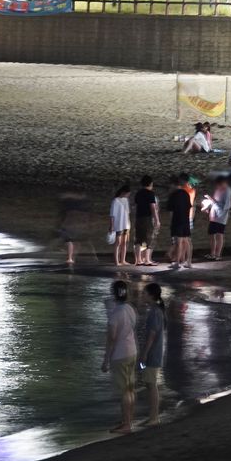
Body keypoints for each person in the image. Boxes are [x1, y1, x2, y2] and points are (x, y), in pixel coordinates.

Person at [101, 280, 138, 434]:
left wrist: (106, 360)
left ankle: (127, 424)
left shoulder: (115, 314)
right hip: (132, 352)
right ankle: (128, 420)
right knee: (130, 389)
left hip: (120, 355)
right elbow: (132, 327)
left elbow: (112, 339)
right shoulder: (130, 309)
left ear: (113, 294)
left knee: (124, 391)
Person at [139, 283, 166, 427]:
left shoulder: (154, 312)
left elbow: (152, 334)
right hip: (154, 353)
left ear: (151, 295)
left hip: (152, 354)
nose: (142, 295)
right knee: (149, 384)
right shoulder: (156, 310)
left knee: (151, 384)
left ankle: (154, 417)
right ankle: (152, 416)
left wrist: (144, 354)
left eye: (144, 293)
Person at [204, 176, 231, 261]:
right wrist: (209, 208)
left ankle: (217, 254)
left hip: (221, 218)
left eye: (218, 184)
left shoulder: (227, 192)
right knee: (212, 234)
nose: (217, 186)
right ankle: (212, 253)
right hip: (213, 216)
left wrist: (211, 200)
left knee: (219, 235)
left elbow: (226, 206)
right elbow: (216, 202)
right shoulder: (218, 190)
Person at [134, 176, 161, 266]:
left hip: (138, 218)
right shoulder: (150, 193)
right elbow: (152, 207)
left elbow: (136, 205)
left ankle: (138, 260)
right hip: (147, 218)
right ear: (151, 183)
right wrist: (157, 220)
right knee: (149, 238)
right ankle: (147, 260)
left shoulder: (138, 193)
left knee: (139, 239)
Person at [166, 177, 192, 269]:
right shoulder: (186, 193)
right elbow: (189, 206)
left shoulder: (173, 195)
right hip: (185, 219)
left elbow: (171, 211)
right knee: (187, 241)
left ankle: (177, 262)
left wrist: (171, 222)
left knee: (178, 241)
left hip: (177, 220)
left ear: (173, 184)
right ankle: (188, 262)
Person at [109, 185, 131, 266]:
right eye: (128, 194)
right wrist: (111, 226)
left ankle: (123, 260)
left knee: (124, 242)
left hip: (126, 224)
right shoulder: (115, 201)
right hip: (118, 225)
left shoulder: (126, 200)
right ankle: (116, 261)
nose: (128, 195)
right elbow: (112, 215)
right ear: (123, 192)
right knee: (117, 243)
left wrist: (129, 223)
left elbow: (128, 213)